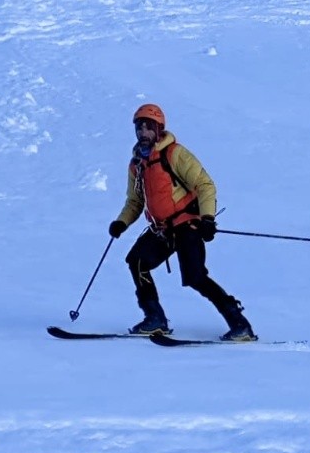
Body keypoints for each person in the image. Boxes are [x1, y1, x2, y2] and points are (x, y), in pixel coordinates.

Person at [108, 103, 255, 341]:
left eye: (148, 127)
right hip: (162, 230)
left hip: (187, 225)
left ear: (159, 129)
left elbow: (204, 185)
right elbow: (135, 201)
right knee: (137, 261)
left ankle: (240, 324)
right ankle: (154, 318)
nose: (142, 132)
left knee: (196, 278)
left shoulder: (175, 153)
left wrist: (207, 219)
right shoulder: (137, 164)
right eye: (139, 128)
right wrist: (121, 223)